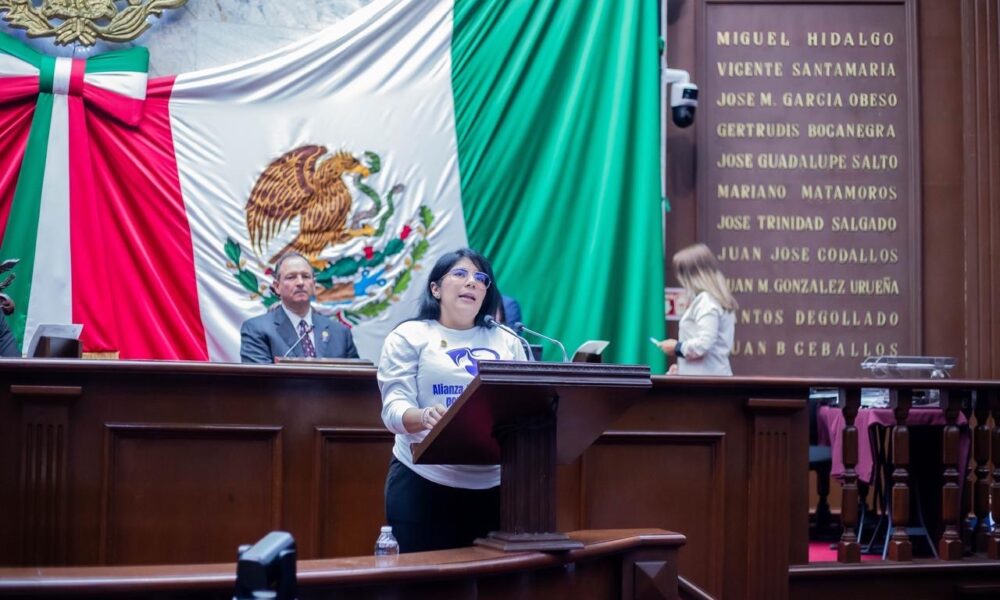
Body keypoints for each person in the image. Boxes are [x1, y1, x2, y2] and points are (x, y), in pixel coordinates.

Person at [377, 248, 527, 552]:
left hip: (497, 486)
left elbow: (525, 404)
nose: (472, 282)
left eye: (481, 278)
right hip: (423, 483)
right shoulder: (410, 335)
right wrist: (423, 416)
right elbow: (393, 409)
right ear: (435, 288)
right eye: (460, 274)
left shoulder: (507, 340)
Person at [240, 252, 358, 363]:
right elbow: (260, 377)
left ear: (314, 285)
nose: (300, 282)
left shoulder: (340, 333)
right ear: (277, 287)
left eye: (306, 276)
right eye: (291, 277)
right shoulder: (256, 329)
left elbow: (355, 376)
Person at [656, 243, 737, 376]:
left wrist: (677, 347)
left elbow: (704, 343)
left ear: (692, 275)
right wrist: (683, 368)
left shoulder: (706, 301)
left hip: (705, 382)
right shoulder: (715, 299)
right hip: (711, 377)